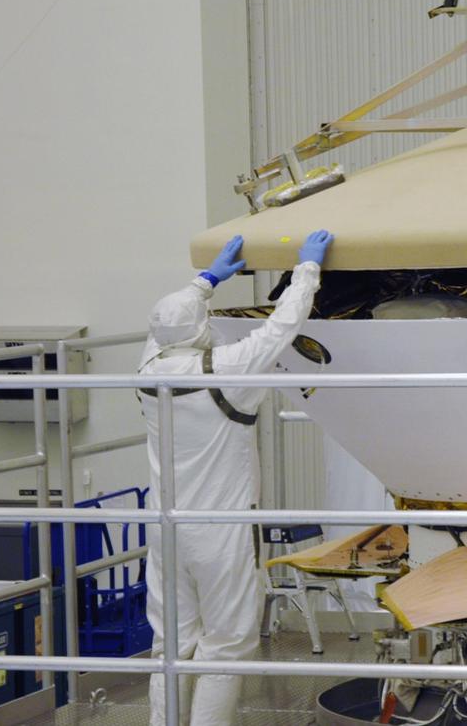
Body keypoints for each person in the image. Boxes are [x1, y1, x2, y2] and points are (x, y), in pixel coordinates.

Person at [138, 230, 333, 726]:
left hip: (165, 529)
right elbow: (281, 328)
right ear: (198, 327)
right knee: (226, 644)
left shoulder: (147, 367)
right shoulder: (225, 369)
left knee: (171, 643)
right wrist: (308, 269)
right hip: (220, 531)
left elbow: (166, 326)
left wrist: (205, 281)